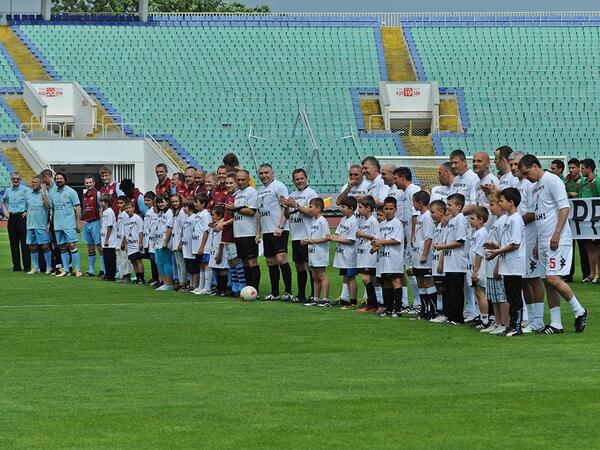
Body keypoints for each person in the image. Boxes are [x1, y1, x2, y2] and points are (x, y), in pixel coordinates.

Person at [519, 154, 587, 333]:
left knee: (553, 278)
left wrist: (557, 233)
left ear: (535, 166)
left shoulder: (553, 180)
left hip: (557, 240)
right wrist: (536, 243)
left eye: (526, 173)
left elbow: (564, 207)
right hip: (543, 241)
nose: (526, 177)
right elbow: (540, 216)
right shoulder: (535, 188)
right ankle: (556, 323)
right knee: (547, 281)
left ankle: (579, 310)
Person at [509, 151, 546, 333]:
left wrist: (513, 222)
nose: (514, 168)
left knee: (533, 279)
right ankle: (530, 318)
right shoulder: (517, 184)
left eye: (517, 164)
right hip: (520, 237)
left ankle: (538, 320)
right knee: (523, 279)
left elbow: (532, 213)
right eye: (512, 165)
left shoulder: (531, 185)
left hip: (531, 236)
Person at [486, 188, 526, 336]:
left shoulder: (516, 219)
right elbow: (507, 243)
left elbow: (515, 244)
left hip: (514, 264)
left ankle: (517, 326)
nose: (500, 203)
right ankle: (511, 324)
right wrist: (495, 247)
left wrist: (497, 251)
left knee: (515, 296)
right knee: (509, 295)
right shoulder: (509, 219)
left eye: (502, 201)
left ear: (511, 202)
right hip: (507, 263)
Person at [256, 163, 292, 301]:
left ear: (272, 173)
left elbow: (285, 206)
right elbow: (259, 213)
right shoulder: (259, 191)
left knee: (281, 259)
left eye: (266, 173)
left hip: (278, 229)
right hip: (267, 231)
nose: (264, 175)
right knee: (270, 261)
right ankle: (275, 293)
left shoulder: (279, 186)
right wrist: (258, 232)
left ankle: (288, 292)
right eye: (261, 173)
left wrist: (281, 226)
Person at [281, 168, 318, 303]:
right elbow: (286, 216)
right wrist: (285, 206)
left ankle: (314, 295)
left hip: (308, 235)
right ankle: (301, 295)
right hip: (296, 235)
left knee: (310, 266)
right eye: (296, 179)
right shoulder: (292, 194)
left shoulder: (311, 193)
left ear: (306, 178)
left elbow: (311, 212)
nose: (299, 181)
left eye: (301, 178)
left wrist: (295, 205)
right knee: (299, 266)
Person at [433, 193, 467, 324]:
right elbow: (447, 241)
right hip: (449, 261)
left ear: (459, 206)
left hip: (457, 261)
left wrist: (443, 246)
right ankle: (449, 315)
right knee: (448, 290)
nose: (448, 208)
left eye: (450, 205)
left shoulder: (461, 219)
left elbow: (460, 241)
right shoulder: (450, 220)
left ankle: (458, 317)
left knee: (456, 291)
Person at [226, 169, 260, 293]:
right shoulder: (237, 194)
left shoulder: (251, 192)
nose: (240, 182)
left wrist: (235, 209)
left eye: (242, 180)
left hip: (249, 233)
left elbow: (251, 211)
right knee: (244, 263)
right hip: (238, 233)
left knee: (251, 262)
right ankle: (247, 289)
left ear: (248, 179)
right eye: (238, 180)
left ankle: (254, 289)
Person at [393, 166, 421, 313]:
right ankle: (417, 302)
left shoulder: (413, 191)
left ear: (403, 177)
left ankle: (419, 303)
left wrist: (413, 238)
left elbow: (415, 215)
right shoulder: (406, 192)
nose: (394, 181)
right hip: (409, 238)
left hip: (414, 240)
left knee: (414, 270)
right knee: (410, 270)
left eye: (396, 178)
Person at [481, 192, 509, 335]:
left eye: (492, 205)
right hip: (490, 265)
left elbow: (503, 245)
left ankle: (505, 323)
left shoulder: (504, 221)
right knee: (493, 297)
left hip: (498, 266)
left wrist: (498, 266)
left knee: (501, 296)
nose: (490, 208)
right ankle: (497, 322)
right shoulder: (495, 222)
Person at [371, 196, 404, 317]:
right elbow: (379, 239)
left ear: (395, 209)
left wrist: (380, 243)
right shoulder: (382, 224)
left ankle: (397, 309)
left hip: (394, 258)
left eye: (391, 208)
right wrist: (375, 247)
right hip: (383, 258)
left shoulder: (397, 223)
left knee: (395, 281)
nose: (388, 211)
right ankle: (388, 308)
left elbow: (397, 240)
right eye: (386, 209)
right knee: (386, 282)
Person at [49, 172, 82, 277]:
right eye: (57, 178)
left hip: (69, 223)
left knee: (72, 245)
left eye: (61, 178)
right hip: (57, 224)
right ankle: (66, 270)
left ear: (65, 180)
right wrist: (49, 223)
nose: (59, 180)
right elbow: (52, 209)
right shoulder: (52, 192)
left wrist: (78, 222)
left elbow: (78, 207)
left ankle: (78, 270)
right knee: (62, 247)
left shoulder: (71, 192)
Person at [329, 196, 359, 308]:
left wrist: (336, 239)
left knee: (351, 277)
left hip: (349, 255)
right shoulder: (343, 219)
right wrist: (333, 236)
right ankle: (345, 298)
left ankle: (353, 301)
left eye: (343, 207)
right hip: (342, 254)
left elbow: (351, 240)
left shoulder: (353, 221)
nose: (341, 209)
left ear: (351, 208)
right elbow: (338, 232)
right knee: (345, 276)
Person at [411, 190, 437, 319]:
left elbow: (429, 238)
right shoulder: (420, 216)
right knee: (420, 282)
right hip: (416, 254)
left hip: (424, 256)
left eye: (414, 202)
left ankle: (433, 310)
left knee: (427, 282)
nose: (413, 205)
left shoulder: (427, 217)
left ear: (420, 203)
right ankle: (424, 309)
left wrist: (425, 255)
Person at [302, 197, 330, 307]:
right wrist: (307, 241)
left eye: (311, 207)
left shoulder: (322, 221)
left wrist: (312, 241)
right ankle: (316, 298)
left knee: (322, 275)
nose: (309, 209)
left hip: (320, 252)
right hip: (312, 252)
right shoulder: (314, 221)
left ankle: (325, 299)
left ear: (318, 208)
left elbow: (327, 237)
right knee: (315, 276)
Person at [2, 171, 31, 272]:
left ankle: (27, 267)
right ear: (11, 179)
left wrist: (27, 211)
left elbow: (32, 201)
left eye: (17, 179)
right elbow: (3, 201)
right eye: (14, 178)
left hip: (22, 218)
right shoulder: (8, 190)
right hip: (11, 218)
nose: (15, 180)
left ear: (20, 179)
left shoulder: (26, 190)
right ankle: (16, 267)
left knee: (25, 243)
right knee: (13, 243)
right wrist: (5, 210)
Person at [355, 195, 380, 313]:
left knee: (366, 279)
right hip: (363, 253)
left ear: (368, 208)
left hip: (369, 253)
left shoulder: (373, 221)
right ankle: (373, 304)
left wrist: (363, 234)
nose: (358, 209)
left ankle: (373, 304)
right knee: (366, 279)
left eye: (360, 207)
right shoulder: (364, 221)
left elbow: (376, 237)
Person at [467, 206, 490, 328]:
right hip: (475, 266)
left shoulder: (482, 233)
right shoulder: (476, 233)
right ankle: (482, 316)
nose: (470, 220)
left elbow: (479, 253)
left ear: (481, 219)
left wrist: (475, 271)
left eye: (472, 218)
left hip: (480, 268)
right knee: (478, 292)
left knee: (481, 293)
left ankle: (485, 320)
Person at [24, 175, 51, 274]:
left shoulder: (45, 193)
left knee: (45, 246)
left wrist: (43, 194)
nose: (33, 184)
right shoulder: (28, 194)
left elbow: (48, 206)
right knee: (32, 246)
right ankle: (36, 267)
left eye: (35, 182)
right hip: (30, 224)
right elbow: (27, 207)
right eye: (32, 182)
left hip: (41, 225)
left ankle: (48, 267)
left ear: (40, 183)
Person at [580, 158, 600, 283]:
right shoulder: (583, 182)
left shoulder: (597, 181)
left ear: (589, 168)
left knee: (597, 246)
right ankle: (592, 274)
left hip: (596, 220)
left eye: (582, 168)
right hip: (586, 220)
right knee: (588, 247)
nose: (581, 170)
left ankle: (598, 273)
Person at [81, 175, 104, 277]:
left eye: (90, 182)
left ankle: (103, 269)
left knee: (99, 246)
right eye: (87, 183)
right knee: (90, 247)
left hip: (96, 222)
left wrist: (101, 224)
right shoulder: (84, 195)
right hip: (87, 222)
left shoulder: (98, 194)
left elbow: (102, 209)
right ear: (84, 184)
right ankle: (91, 270)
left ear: (94, 183)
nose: (88, 185)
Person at [429, 200, 448, 321]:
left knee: (443, 288)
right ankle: (440, 311)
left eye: (433, 212)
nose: (431, 215)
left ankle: (444, 312)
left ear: (441, 212)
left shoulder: (445, 226)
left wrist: (441, 262)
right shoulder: (437, 226)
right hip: (435, 261)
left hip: (442, 263)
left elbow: (445, 245)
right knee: (438, 287)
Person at [192, 194, 212, 295]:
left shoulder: (205, 214)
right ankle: (201, 286)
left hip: (204, 245)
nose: (195, 204)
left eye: (197, 202)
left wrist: (202, 246)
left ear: (203, 203)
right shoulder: (197, 214)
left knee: (206, 264)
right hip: (196, 245)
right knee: (201, 265)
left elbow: (206, 231)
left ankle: (207, 288)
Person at [121, 199, 145, 284]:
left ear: (133, 208)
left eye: (129, 208)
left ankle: (141, 278)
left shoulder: (137, 218)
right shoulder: (125, 219)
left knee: (138, 260)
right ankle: (137, 276)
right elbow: (125, 233)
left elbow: (141, 231)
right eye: (126, 208)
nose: (128, 210)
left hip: (136, 243)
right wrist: (125, 244)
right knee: (133, 261)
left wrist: (140, 243)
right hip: (130, 243)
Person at [207, 206, 229, 295]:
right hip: (214, 251)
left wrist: (219, 254)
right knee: (216, 269)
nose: (212, 217)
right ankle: (219, 289)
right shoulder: (214, 226)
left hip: (220, 252)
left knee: (221, 270)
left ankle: (223, 289)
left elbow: (222, 242)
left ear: (220, 216)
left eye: (213, 215)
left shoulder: (221, 228)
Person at [154, 194, 174, 291]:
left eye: (162, 202)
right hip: (157, 241)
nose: (160, 204)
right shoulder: (160, 213)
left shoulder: (170, 213)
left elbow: (169, 228)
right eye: (158, 202)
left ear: (167, 201)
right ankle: (163, 282)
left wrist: (166, 241)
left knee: (166, 262)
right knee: (159, 262)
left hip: (164, 241)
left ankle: (169, 283)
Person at [180, 199, 198, 292]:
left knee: (194, 268)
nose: (183, 209)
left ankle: (195, 284)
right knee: (189, 268)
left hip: (192, 247)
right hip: (186, 248)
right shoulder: (187, 218)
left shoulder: (194, 217)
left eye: (185, 207)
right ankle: (190, 283)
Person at [142, 191, 159, 285]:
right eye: (145, 200)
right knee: (151, 259)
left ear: (153, 201)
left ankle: (157, 278)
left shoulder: (153, 211)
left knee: (154, 259)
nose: (146, 202)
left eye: (148, 200)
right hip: (147, 239)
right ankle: (154, 277)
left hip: (152, 239)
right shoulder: (148, 210)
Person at [170, 193, 186, 290]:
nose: (175, 203)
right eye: (173, 202)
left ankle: (183, 282)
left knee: (182, 263)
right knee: (178, 263)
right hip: (175, 240)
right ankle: (181, 281)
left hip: (180, 241)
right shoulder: (175, 212)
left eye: (176, 201)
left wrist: (181, 242)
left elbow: (184, 227)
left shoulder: (182, 212)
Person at [100, 194, 117, 281]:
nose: (100, 203)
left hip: (109, 240)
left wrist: (106, 239)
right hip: (105, 239)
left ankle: (111, 276)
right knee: (106, 258)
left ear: (106, 203)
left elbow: (109, 226)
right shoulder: (105, 212)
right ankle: (108, 274)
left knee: (110, 258)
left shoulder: (109, 212)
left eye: (102, 201)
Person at [115, 195, 131, 282]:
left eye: (121, 203)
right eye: (118, 203)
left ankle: (127, 275)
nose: (119, 205)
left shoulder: (125, 214)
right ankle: (122, 275)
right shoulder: (120, 213)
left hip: (123, 240)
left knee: (125, 259)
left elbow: (125, 229)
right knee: (120, 259)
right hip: (118, 239)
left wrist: (124, 241)